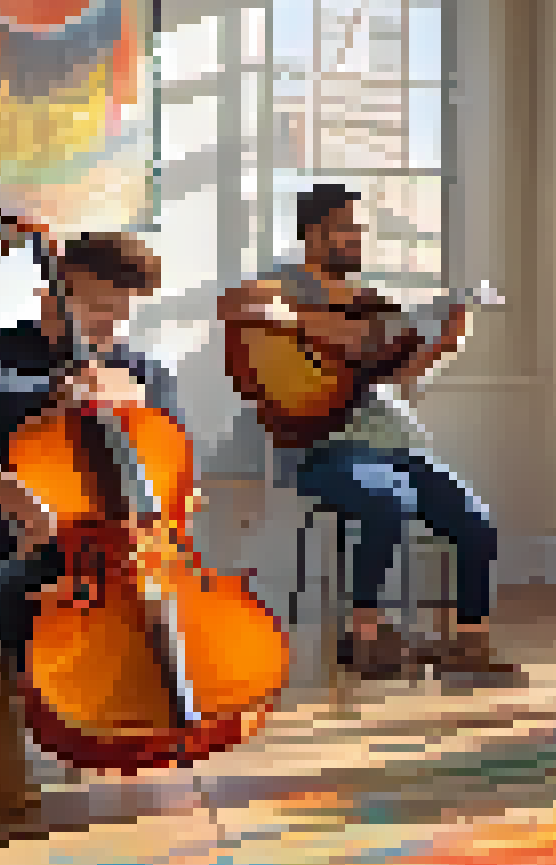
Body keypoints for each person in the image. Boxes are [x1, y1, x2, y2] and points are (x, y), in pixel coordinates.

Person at [218, 184, 513, 681]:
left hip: (395, 442)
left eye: (358, 229)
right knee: (388, 499)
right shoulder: (277, 283)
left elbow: (399, 373)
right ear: (313, 234)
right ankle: (365, 636)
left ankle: (469, 642)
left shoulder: (372, 300)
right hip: (321, 446)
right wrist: (341, 332)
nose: (356, 239)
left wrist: (446, 339)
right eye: (344, 229)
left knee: (476, 521)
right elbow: (237, 307)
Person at [0, 232, 180, 671]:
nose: (112, 330)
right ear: (50, 299)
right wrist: (16, 497)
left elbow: (177, 476)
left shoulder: (143, 373)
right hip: (20, 550)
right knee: (35, 603)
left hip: (138, 557)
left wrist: (133, 409)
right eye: (101, 312)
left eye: (123, 316)